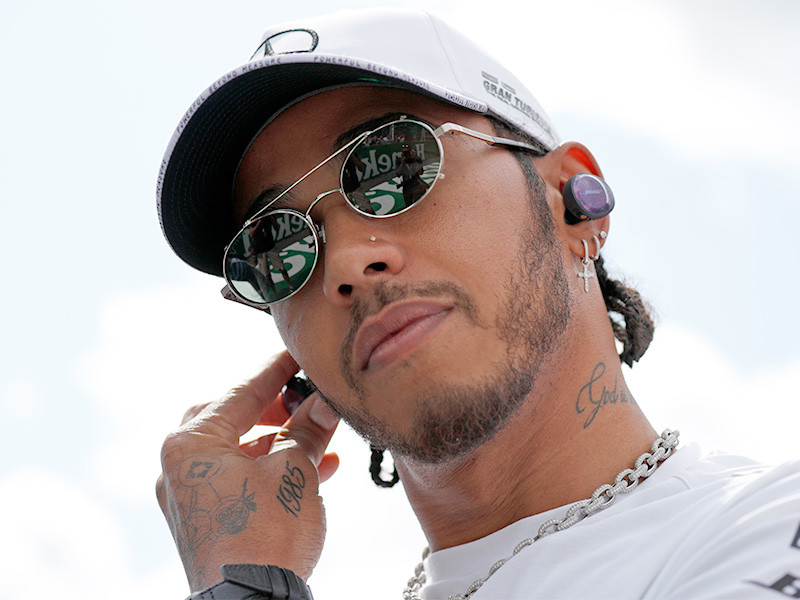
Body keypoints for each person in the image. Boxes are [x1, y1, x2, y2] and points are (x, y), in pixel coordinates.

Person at [155, 8, 800, 600]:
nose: (345, 263)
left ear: (570, 199)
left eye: (392, 168)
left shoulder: (767, 524)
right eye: (276, 247)